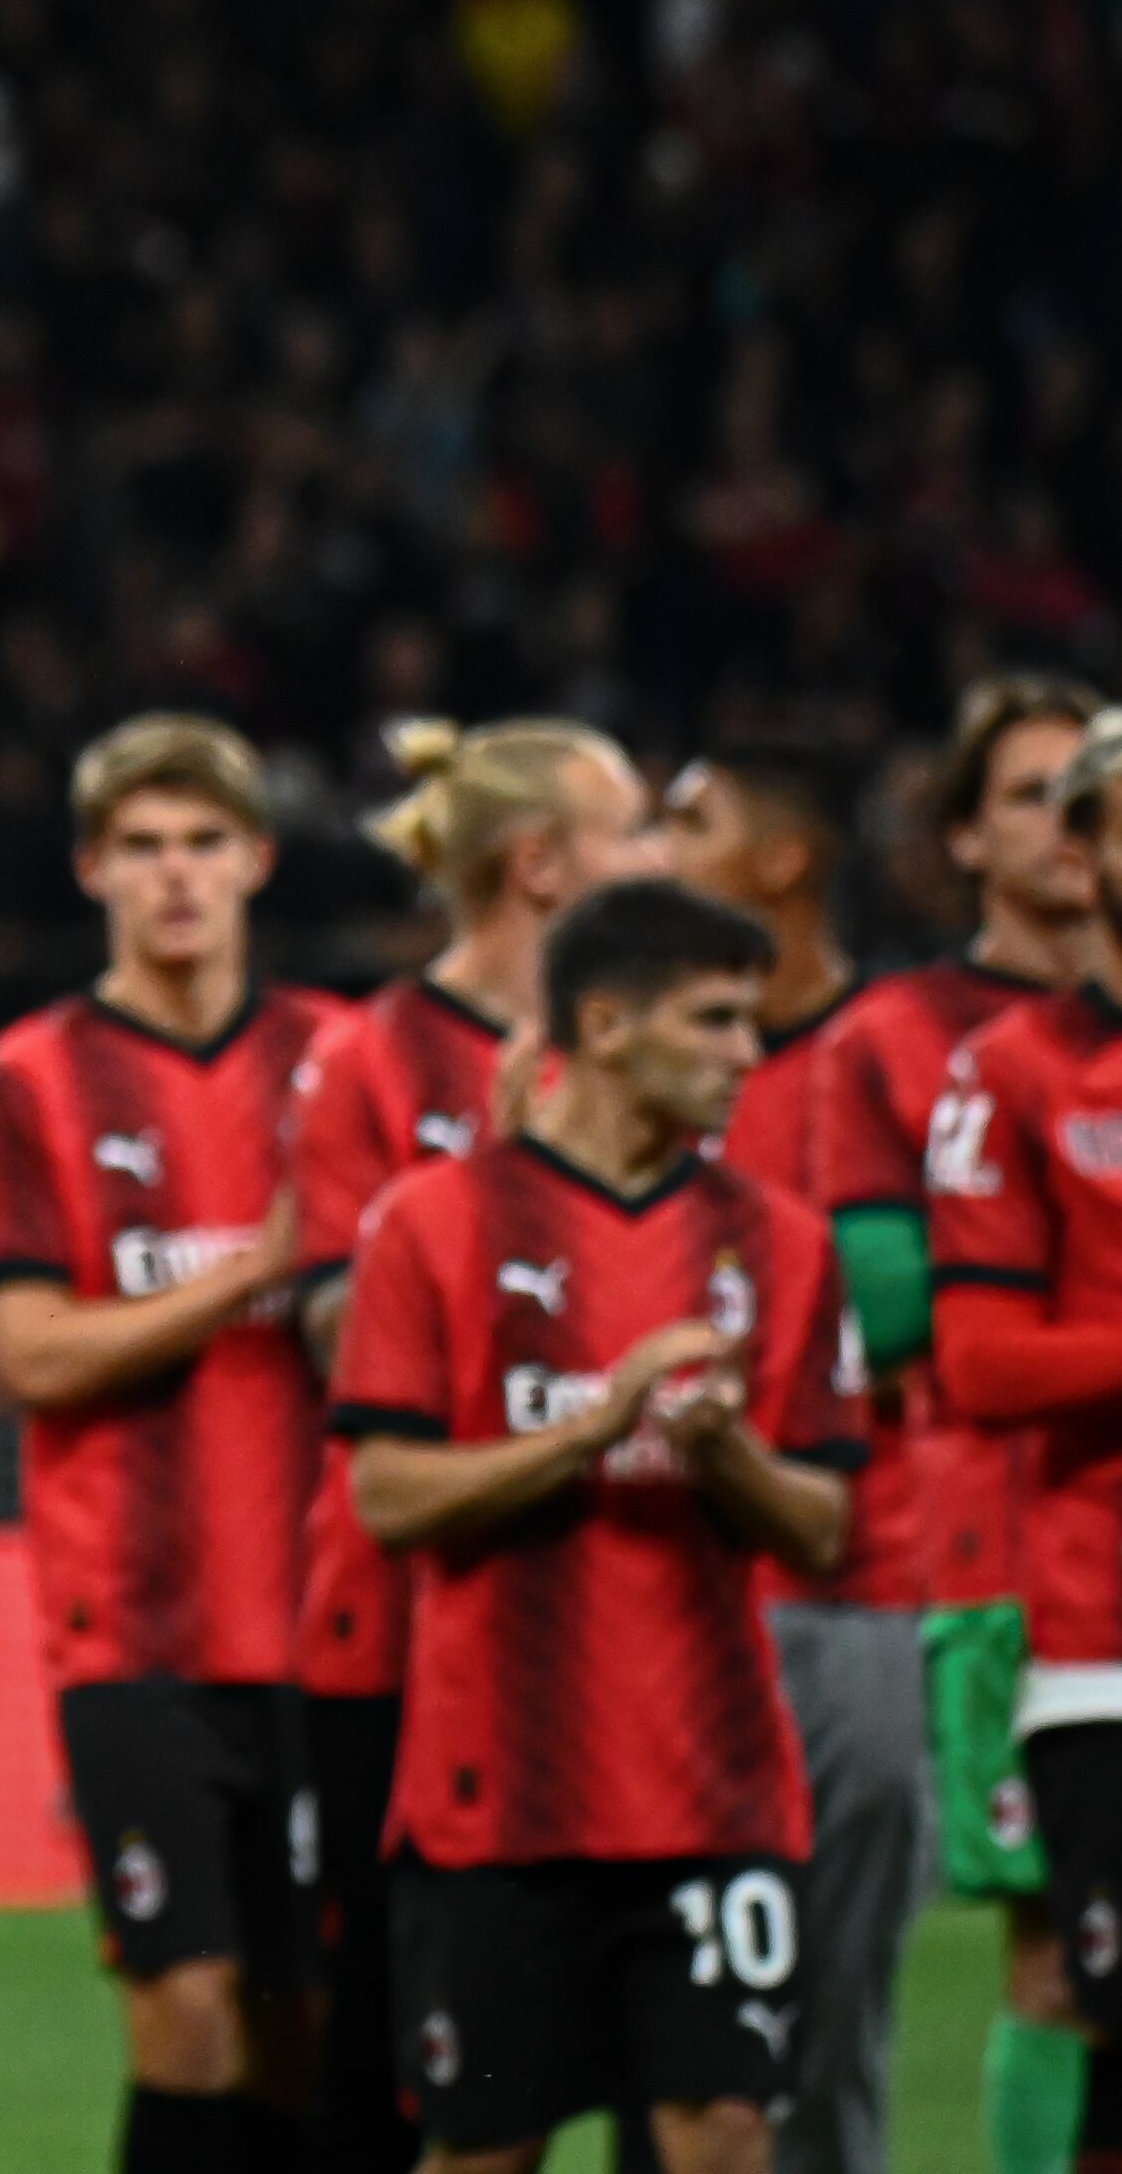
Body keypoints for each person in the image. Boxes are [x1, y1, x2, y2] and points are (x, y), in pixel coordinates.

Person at [332, 878, 861, 2174]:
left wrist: (724, 1450)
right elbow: (386, 1493)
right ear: (609, 1026)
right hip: (496, 1805)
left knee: (726, 2135)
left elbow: (827, 1527)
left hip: (715, 1796)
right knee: (486, 2151)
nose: (751, 1052)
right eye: (718, 1021)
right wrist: (590, 1430)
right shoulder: (433, 1224)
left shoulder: (780, 1243)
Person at [0, 715, 337, 2174]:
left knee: (308, 2020)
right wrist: (258, 1270)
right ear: (91, 870)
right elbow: (31, 1351)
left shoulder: (339, 1063)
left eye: (203, 846)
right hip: (135, 1631)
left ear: (255, 862)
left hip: (329, 1625)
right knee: (185, 2008)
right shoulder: (30, 1082)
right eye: (143, 849)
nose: (176, 879)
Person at [290, 714, 669, 2174]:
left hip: (618, 1616)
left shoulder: (654, 1048)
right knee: (402, 2055)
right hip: (400, 1632)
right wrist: (503, 1193)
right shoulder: (368, 1061)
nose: (657, 855)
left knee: (656, 2045)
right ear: (540, 867)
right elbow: (336, 1329)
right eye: (631, 827)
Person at [823, 674, 1107, 2174]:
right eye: (1029, 795)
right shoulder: (898, 1040)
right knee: (1058, 1957)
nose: (1069, 827)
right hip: (1010, 1546)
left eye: (1089, 792)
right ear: (967, 839)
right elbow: (898, 1313)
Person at [666, 743, 913, 2174]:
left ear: (781, 867)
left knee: (831, 2040)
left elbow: (901, 1324)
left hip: (858, 1590)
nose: (652, 844)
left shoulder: (878, 1058)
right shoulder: (645, 1074)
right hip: (675, 1610)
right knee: (681, 2048)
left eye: (689, 821)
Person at [927, 712, 1122, 2174]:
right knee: (1093, 1999)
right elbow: (982, 1364)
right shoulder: (1012, 1073)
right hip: (1097, 1625)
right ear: (1086, 848)